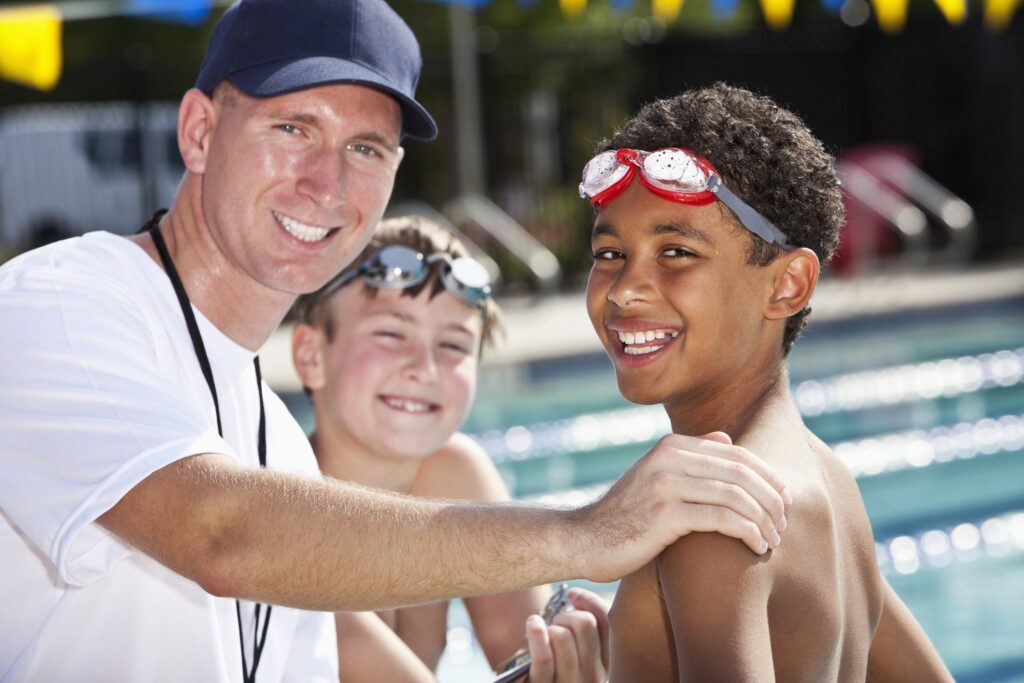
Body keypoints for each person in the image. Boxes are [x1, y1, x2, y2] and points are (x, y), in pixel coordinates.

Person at [0, 1, 792, 680]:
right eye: (292, 127)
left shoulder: (273, 440)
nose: (327, 183)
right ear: (200, 132)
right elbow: (221, 531)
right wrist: (587, 531)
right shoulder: (62, 303)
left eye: (365, 149)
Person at [578, 83, 954, 681]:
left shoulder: (713, 516)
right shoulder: (827, 478)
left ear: (788, 285)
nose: (625, 290)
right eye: (610, 254)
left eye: (675, 252)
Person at [291, 215, 560, 680]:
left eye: (453, 345)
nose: (425, 368)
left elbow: (533, 650)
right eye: (391, 334)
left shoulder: (451, 473)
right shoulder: (282, 502)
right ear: (312, 356)